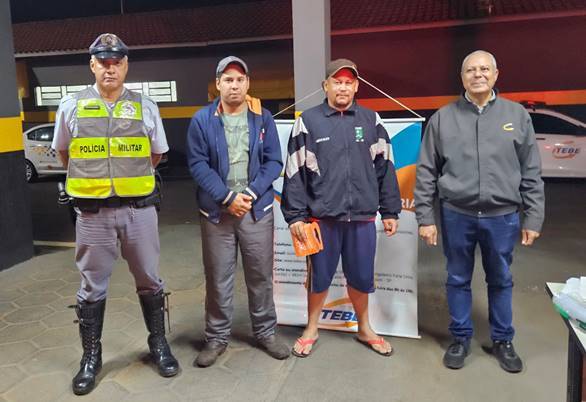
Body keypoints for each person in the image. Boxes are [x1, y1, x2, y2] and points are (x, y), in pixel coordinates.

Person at [52, 33, 179, 395]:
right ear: (92, 65)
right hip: (93, 214)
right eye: (103, 62)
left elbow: (156, 154)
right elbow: (64, 153)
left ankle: (158, 343)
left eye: (117, 62)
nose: (110, 68)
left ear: (126, 65)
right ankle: (91, 358)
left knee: (150, 279)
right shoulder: (71, 105)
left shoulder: (145, 105)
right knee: (91, 287)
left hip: (138, 210)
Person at [414, 50, 544, 373]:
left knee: (500, 278)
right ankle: (460, 338)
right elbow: (426, 171)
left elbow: (531, 170)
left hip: (502, 216)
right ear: (462, 78)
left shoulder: (517, 116)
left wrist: (533, 216)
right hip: (456, 214)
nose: (478, 75)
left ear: (496, 75)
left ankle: (503, 340)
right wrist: (425, 218)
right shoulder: (443, 119)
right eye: (471, 70)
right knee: (457, 278)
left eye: (485, 69)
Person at [281, 58, 402, 357]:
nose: (343, 87)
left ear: (356, 86)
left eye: (348, 82)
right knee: (318, 278)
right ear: (326, 86)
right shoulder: (308, 121)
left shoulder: (372, 120)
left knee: (361, 277)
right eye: (337, 82)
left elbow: (385, 167)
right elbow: (295, 172)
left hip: (362, 218)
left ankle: (364, 328)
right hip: (321, 219)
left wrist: (390, 211)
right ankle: (311, 328)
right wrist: (296, 217)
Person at [186, 56, 289, 367]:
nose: (234, 85)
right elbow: (198, 164)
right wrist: (227, 197)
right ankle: (216, 337)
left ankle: (266, 331)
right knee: (218, 276)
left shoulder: (262, 118)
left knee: (260, 275)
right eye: (228, 80)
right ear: (218, 84)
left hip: (256, 210)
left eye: (240, 80)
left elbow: (274, 161)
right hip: (217, 213)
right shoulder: (202, 120)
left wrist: (250, 194)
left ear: (248, 83)